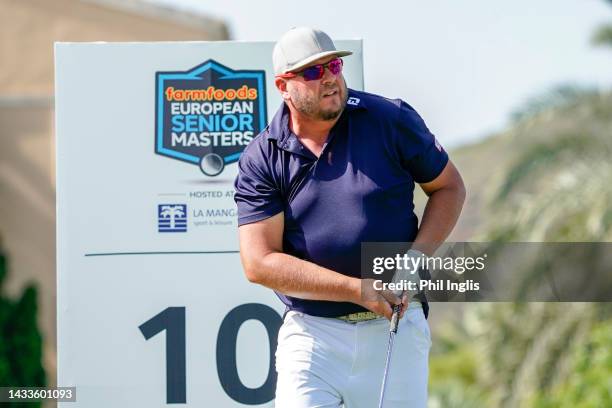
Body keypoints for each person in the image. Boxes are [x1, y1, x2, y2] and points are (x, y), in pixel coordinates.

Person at [234, 27, 465, 408]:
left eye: (334, 65)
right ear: (282, 85)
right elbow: (259, 262)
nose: (328, 79)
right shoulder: (263, 156)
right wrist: (357, 289)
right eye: (312, 72)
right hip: (312, 334)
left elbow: (449, 187)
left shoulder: (389, 118)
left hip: (394, 327)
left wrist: (417, 257)